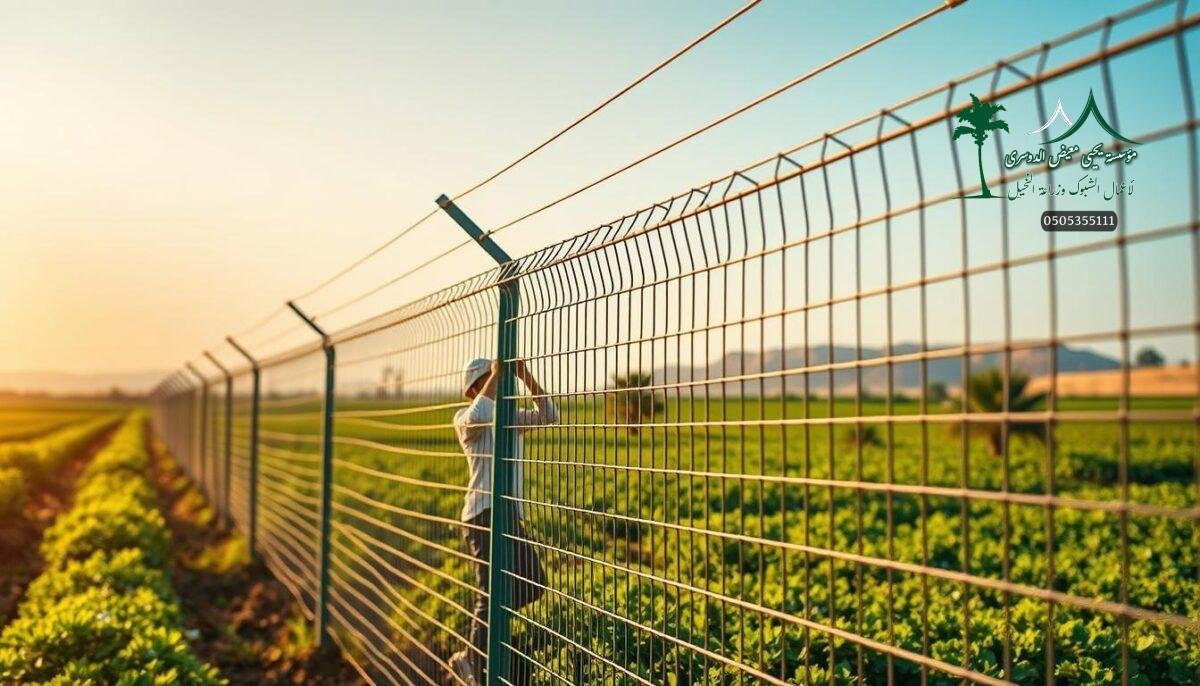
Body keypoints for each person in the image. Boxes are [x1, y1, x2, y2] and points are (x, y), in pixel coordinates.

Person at [448, 358, 558, 686]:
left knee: (533, 582)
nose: (497, 383)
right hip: (482, 515)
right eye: (486, 380)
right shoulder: (465, 419)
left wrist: (525, 376)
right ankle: (474, 661)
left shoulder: (509, 418)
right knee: (489, 593)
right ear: (472, 390)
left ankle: (485, 647)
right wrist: (496, 374)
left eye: (496, 378)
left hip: (508, 514)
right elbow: (481, 414)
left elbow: (549, 416)